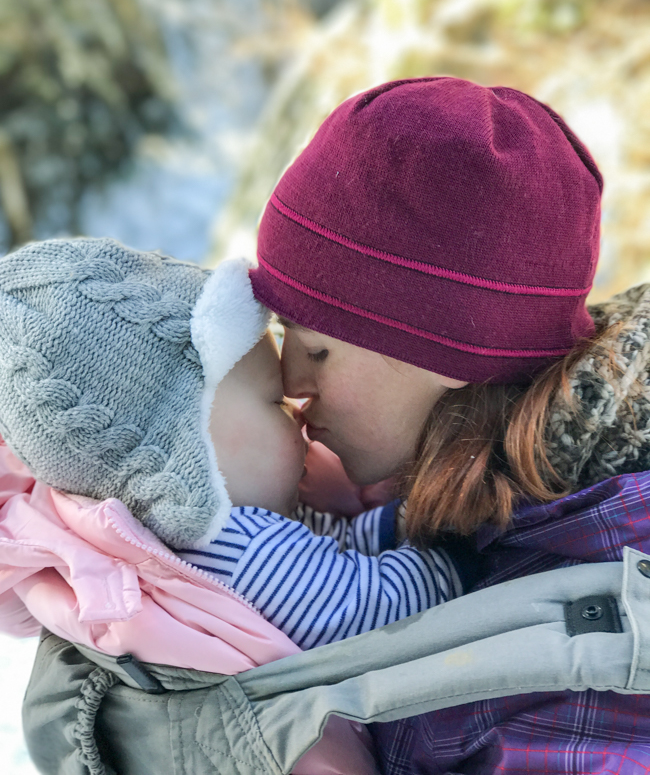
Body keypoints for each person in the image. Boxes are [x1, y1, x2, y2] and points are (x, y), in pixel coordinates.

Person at [250, 76, 650, 773]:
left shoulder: (598, 579)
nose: (291, 386)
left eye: (316, 348)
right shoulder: (479, 510)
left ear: (449, 347)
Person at [0, 236, 464, 654]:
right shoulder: (243, 553)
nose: (299, 417)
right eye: (275, 402)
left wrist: (402, 522)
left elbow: (336, 548)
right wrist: (466, 532)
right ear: (186, 453)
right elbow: (390, 610)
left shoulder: (233, 530)